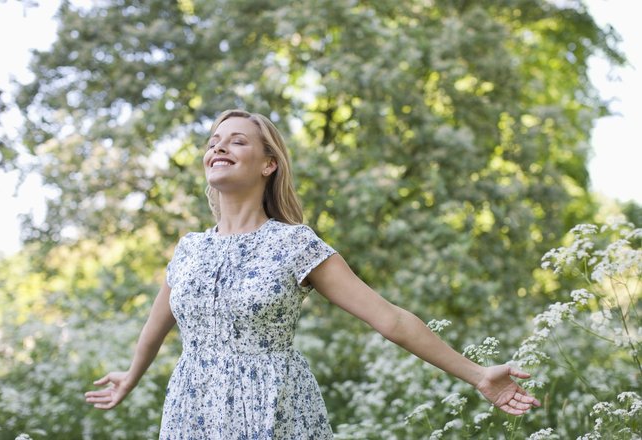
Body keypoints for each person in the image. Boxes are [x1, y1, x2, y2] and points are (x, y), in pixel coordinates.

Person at [85, 109, 540, 438]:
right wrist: (130, 375)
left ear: (269, 164)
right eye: (213, 142)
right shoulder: (189, 249)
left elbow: (390, 320)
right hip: (192, 410)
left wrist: (477, 373)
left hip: (274, 408)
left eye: (237, 140)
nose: (219, 146)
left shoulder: (295, 244)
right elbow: (155, 327)